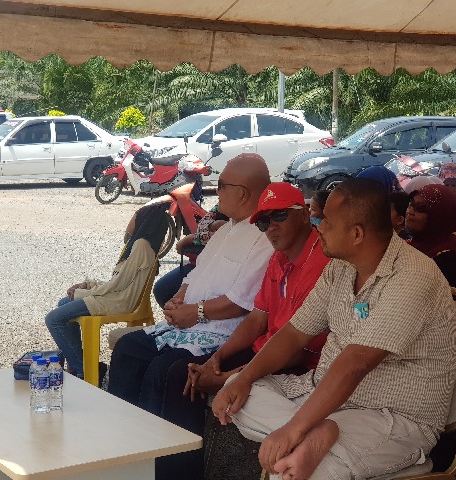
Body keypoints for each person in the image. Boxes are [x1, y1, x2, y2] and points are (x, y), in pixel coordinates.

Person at [212, 178, 456, 480]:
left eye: (327, 221)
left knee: (294, 470)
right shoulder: (340, 267)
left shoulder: (413, 276)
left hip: (394, 417)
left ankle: (310, 438)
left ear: (356, 234)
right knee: (238, 392)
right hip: (324, 397)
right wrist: (245, 377)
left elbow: (356, 363)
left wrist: (294, 429)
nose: (319, 227)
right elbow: (294, 332)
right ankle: (314, 435)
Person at [153, 183, 330, 480]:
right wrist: (217, 359)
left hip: (299, 363)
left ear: (304, 215)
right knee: (185, 372)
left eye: (280, 216)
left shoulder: (322, 263)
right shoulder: (279, 257)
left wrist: (229, 378)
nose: (271, 228)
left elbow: (295, 349)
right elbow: (258, 318)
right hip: (269, 349)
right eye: (263, 222)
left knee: (184, 377)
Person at [106, 153, 273, 413]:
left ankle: (157, 438)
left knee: (165, 371)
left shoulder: (265, 239)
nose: (216, 191)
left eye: (221, 186)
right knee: (129, 349)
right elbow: (195, 274)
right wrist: (179, 298)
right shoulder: (226, 229)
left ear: (242, 194)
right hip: (190, 324)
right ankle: (121, 427)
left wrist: (196, 312)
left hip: (221, 334)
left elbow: (242, 302)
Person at [45, 204, 170, 378]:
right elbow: (117, 281)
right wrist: (87, 285)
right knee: (63, 303)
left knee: (53, 319)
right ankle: (83, 365)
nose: (131, 221)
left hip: (117, 301)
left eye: (135, 216)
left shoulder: (141, 245)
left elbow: (118, 284)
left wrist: (83, 293)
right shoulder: (138, 244)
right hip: (115, 296)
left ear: (145, 221)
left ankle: (82, 370)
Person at [405, 184, 456, 295]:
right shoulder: (418, 244)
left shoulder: (449, 261)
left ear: (438, 216)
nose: (410, 211)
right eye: (411, 204)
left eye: (419, 208)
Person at [152, 205, 228, 308]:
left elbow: (225, 234)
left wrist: (192, 238)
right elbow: (203, 224)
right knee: (162, 291)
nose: (218, 195)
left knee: (164, 291)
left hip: (215, 268)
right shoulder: (219, 208)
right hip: (199, 263)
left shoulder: (242, 220)